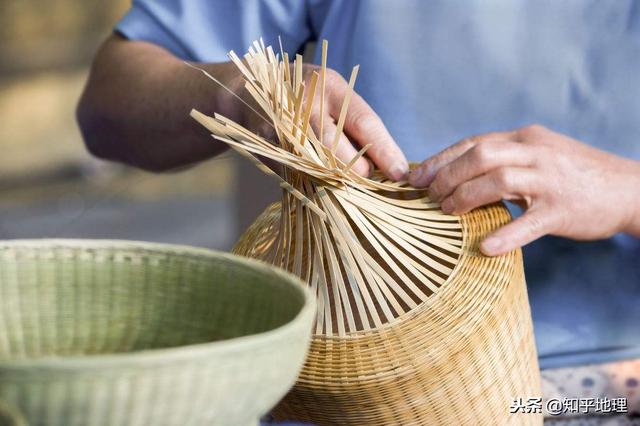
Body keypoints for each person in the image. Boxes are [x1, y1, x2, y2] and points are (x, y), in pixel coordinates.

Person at [78, 1, 640, 371]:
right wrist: (240, 95)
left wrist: (626, 194)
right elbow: (107, 105)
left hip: (611, 376)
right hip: (356, 368)